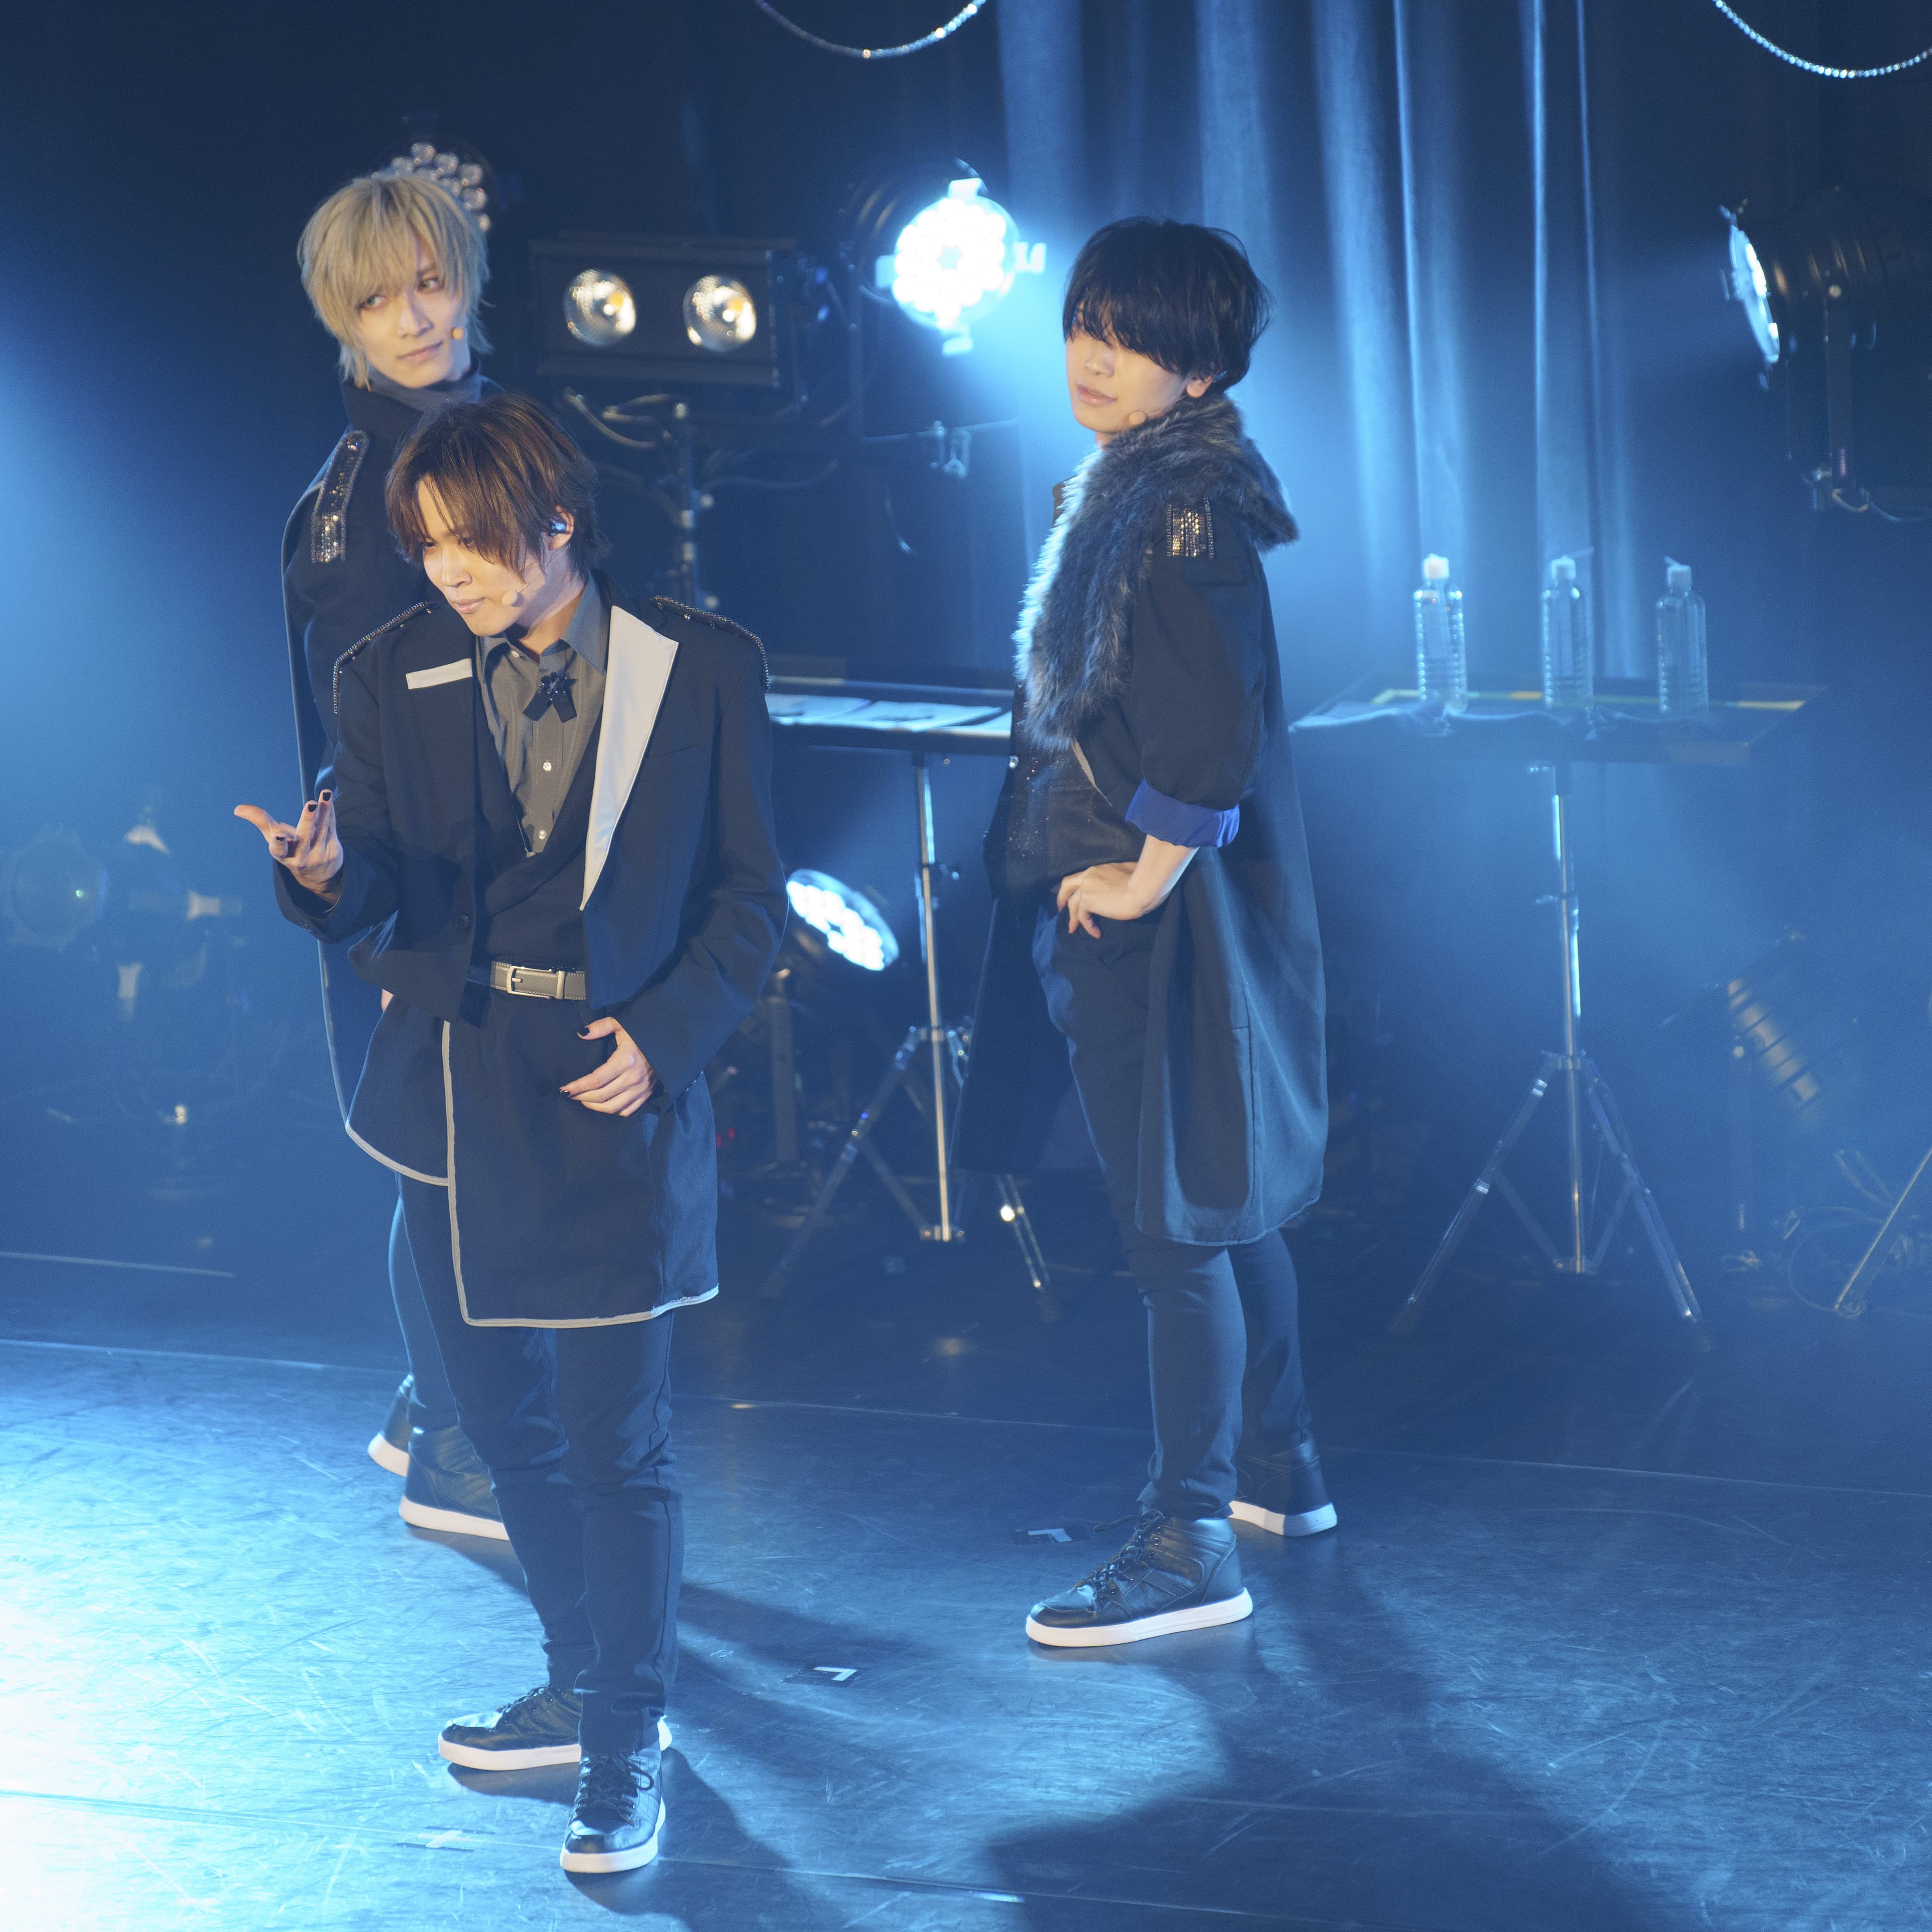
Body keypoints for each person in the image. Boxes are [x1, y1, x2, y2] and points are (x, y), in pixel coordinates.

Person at [236, 392, 786, 1873]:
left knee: (620, 1439)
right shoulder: (386, 668)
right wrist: (320, 877)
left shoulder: (699, 665)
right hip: (454, 1088)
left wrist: (665, 1037)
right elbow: (375, 886)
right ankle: (581, 1680)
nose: (449, 573)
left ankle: (626, 1742)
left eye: (472, 543)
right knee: (500, 1425)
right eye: (426, 547)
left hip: (611, 1082)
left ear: (556, 522)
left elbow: (750, 898)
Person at [954, 218, 1334, 1648]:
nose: (1096, 358)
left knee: (1174, 1228)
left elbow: (1208, 735)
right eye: (1086, 326)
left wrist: (1142, 879)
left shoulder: (1180, 517)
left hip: (1159, 925)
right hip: (1153, 909)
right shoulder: (1134, 493)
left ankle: (1190, 1537)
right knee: (1220, 1200)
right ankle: (1280, 1471)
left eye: (1134, 339)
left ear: (1202, 370)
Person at [284, 169, 503, 1536]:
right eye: (378, 301)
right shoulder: (367, 498)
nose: (414, 319)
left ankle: (434, 1405)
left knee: (464, 1152)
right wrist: (378, 907)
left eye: (430, 284)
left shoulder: (475, 436)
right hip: (420, 882)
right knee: (447, 1159)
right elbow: (361, 732)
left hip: (480, 866)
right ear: (341, 322)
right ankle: (459, 1439)